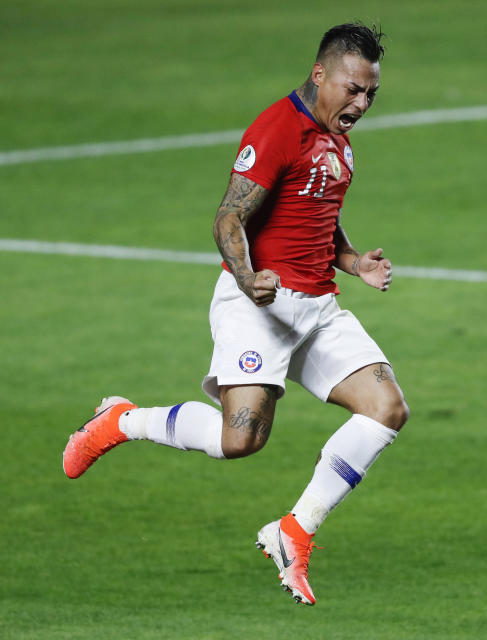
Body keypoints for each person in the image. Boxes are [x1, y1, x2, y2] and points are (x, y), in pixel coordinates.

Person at [62, 23, 408, 606]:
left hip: (317, 306)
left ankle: (293, 531)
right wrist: (248, 280)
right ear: (319, 74)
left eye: (370, 93)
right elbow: (228, 218)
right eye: (352, 89)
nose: (361, 104)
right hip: (258, 305)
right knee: (240, 440)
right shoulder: (276, 130)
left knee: (387, 409)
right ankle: (122, 421)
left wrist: (351, 260)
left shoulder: (337, 139)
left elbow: (313, 210)